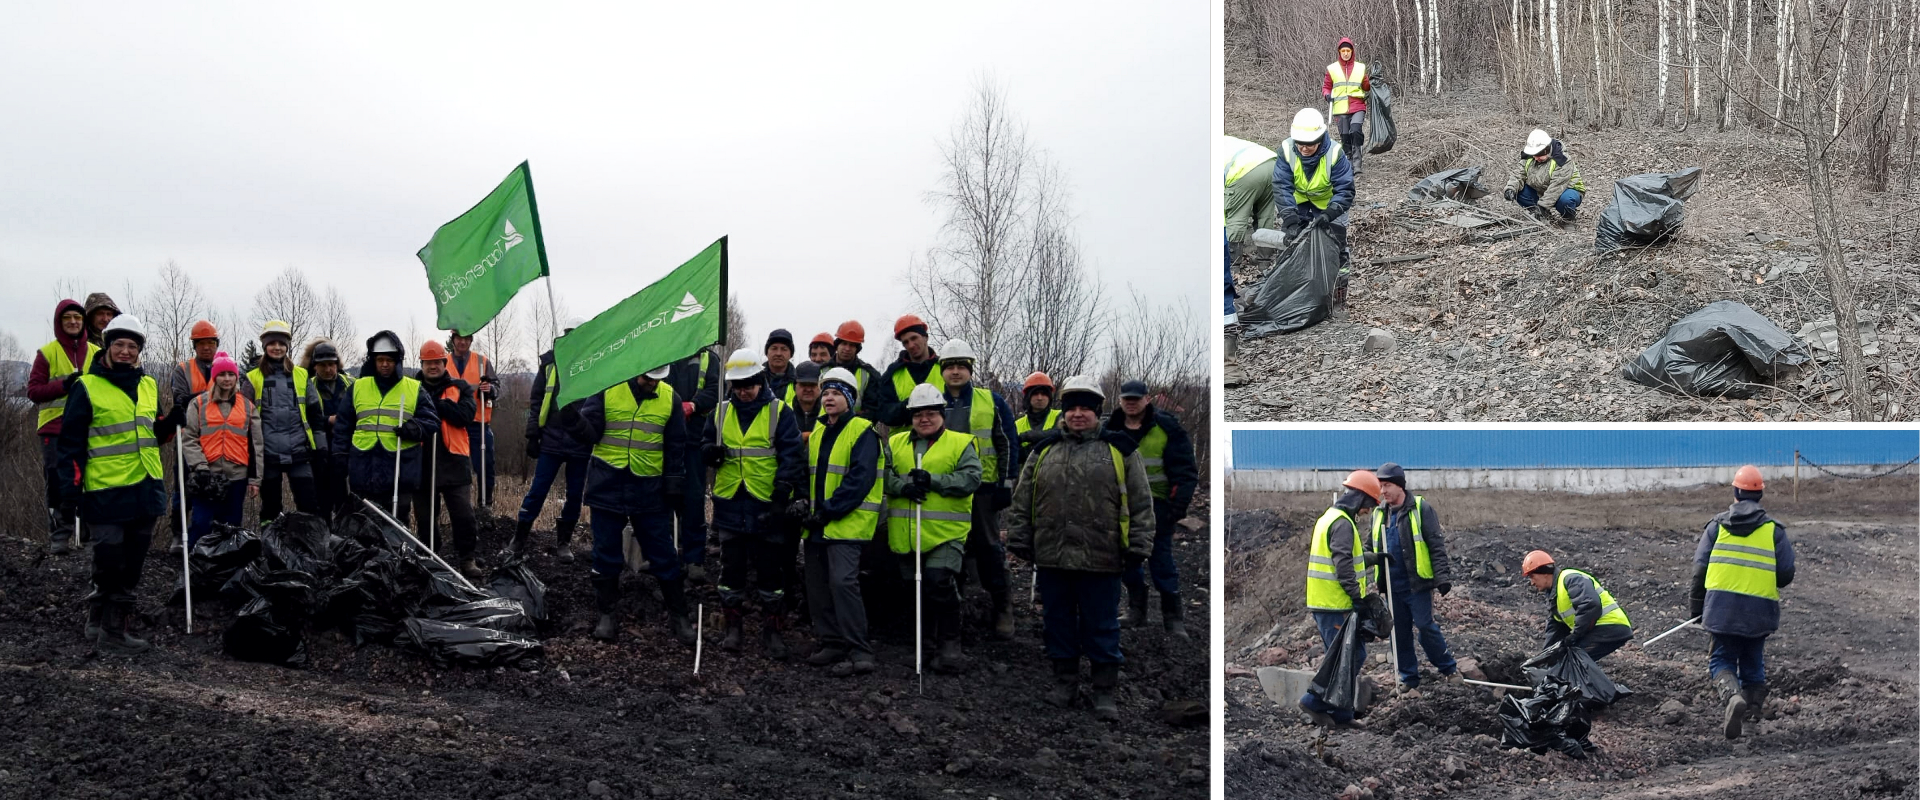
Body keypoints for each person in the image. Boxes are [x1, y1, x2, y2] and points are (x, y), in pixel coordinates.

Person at [1006, 376, 1153, 720]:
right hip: (1052, 556)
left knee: (1101, 625)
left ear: (1097, 412)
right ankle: (1065, 684)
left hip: (1102, 557)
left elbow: (1141, 502)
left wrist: (1139, 544)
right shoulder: (1044, 450)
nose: (1077, 414)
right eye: (1072, 408)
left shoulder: (1120, 450)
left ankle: (1104, 692)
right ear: (1064, 412)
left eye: (1085, 408)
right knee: (1057, 623)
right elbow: (1023, 499)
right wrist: (1019, 537)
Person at [55, 314, 181, 654]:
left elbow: (152, 434)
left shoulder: (148, 384)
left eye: (132, 346)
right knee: (109, 559)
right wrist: (69, 492)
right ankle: (103, 621)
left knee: (133, 562)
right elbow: (70, 445)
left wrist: (170, 422)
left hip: (145, 487)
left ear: (139, 351)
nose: (126, 351)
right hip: (105, 490)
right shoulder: (86, 387)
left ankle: (108, 626)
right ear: (107, 346)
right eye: (120, 345)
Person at [562, 363, 695, 645]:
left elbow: (675, 445)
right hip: (607, 484)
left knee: (663, 553)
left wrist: (674, 483)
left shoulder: (669, 397)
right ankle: (607, 615)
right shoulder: (608, 389)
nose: (652, 383)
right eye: (648, 378)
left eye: (657, 379)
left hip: (649, 489)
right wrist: (572, 419)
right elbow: (591, 433)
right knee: (605, 553)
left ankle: (680, 616)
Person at [703, 348, 807, 659]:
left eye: (748, 385)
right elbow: (704, 443)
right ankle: (733, 629)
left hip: (766, 503)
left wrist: (781, 495)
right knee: (731, 570)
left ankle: (772, 631)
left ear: (760, 381)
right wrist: (709, 452)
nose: (743, 392)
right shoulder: (720, 412)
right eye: (738, 386)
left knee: (770, 572)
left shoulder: (779, 412)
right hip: (730, 503)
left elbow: (791, 456)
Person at [1689, 465, 1795, 740]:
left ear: (1735, 492)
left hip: (1721, 610)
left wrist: (1697, 609)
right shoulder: (1774, 531)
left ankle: (1732, 697)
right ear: (1760, 494)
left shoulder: (1716, 527)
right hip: (1759, 611)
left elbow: (1699, 571)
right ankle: (1752, 717)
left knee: (1721, 659)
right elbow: (1785, 575)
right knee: (1753, 660)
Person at [884, 383, 982, 674]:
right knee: (915, 590)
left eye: (930, 413)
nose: (924, 419)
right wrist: (902, 487)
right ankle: (924, 646)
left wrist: (934, 481)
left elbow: (971, 479)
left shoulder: (960, 443)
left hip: (945, 534)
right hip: (906, 534)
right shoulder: (895, 443)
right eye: (918, 414)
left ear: (942, 414)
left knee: (938, 582)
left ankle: (950, 646)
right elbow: (881, 474)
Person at [800, 367, 884, 677]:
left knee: (842, 583)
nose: (828, 398)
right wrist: (803, 503)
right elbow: (806, 473)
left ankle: (859, 649)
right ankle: (831, 642)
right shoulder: (819, 432)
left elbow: (860, 479)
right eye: (826, 393)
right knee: (817, 586)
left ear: (849, 398)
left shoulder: (863, 432)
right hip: (817, 524)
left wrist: (830, 510)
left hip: (846, 524)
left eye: (836, 393)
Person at [935, 339, 1020, 639]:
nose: (955, 372)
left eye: (961, 366)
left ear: (970, 369)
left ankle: (1003, 607)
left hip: (983, 489)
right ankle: (954, 610)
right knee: (950, 547)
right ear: (942, 371)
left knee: (988, 547)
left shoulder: (991, 401)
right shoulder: (933, 402)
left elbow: (1007, 442)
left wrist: (1006, 483)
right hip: (946, 489)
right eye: (950, 367)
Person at [1106, 380, 1199, 638]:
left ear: (1147, 399)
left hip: (1158, 507)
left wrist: (1176, 509)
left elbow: (1185, 472)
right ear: (1120, 400)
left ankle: (1173, 618)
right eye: (1127, 398)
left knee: (1162, 562)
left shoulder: (1167, 428)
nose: (1131, 403)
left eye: (1136, 398)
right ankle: (1136, 610)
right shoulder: (1109, 429)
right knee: (1127, 560)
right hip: (1120, 507)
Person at [1297, 470, 1380, 727]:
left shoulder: (1330, 517)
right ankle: (1313, 702)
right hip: (1334, 604)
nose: (1367, 511)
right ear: (1360, 498)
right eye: (1369, 505)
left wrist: (1370, 558)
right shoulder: (1343, 523)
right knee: (1349, 657)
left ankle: (1342, 715)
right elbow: (1342, 564)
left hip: (1328, 602)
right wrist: (1357, 597)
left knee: (1345, 658)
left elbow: (1347, 557)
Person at [1370, 463, 1461, 693]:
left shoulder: (1420, 508)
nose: (1383, 491)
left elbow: (1435, 544)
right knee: (1398, 634)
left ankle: (1449, 670)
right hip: (1391, 586)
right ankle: (1408, 679)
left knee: (1425, 627)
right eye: (1381, 486)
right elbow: (1370, 546)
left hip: (1417, 584)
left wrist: (1442, 577)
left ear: (1400, 486)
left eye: (1387, 485)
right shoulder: (1379, 514)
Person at [330, 331, 439, 522]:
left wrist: (414, 429)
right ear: (373, 360)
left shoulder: (414, 388)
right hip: (363, 468)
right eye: (380, 359)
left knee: (397, 524)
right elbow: (343, 426)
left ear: (398, 360)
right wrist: (340, 455)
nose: (385, 364)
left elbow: (431, 421)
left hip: (399, 470)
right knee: (364, 521)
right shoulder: (357, 387)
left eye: (389, 360)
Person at [514, 320, 591, 560]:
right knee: (538, 491)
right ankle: (518, 540)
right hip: (551, 438)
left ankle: (564, 543)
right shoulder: (549, 363)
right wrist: (532, 435)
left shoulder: (595, 362)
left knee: (575, 495)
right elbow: (536, 400)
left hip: (580, 441)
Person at [28, 299, 98, 555]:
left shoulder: (96, 352)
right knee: (57, 480)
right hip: (54, 427)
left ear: (83, 321)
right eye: (67, 318)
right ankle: (60, 533)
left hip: (89, 426)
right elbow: (33, 392)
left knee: (91, 478)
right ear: (59, 322)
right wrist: (65, 385)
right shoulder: (47, 353)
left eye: (77, 317)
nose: (73, 322)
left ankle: (90, 534)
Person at [240, 320, 327, 523]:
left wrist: (321, 448)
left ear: (287, 346)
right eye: (272, 343)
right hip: (268, 454)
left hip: (299, 451)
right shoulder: (253, 378)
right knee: (271, 509)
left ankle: (308, 541)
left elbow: (315, 415)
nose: (277, 347)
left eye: (281, 343)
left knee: (308, 506)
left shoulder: (302, 375)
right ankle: (270, 542)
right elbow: (243, 418)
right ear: (265, 346)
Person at [1273, 108, 1357, 308]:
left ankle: (1337, 297)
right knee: (1291, 244)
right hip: (1299, 203)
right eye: (1300, 143)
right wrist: (1290, 220)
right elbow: (1282, 186)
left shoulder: (1335, 153)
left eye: (1309, 144)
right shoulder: (1286, 150)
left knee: (1336, 248)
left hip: (1330, 204)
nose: (1304, 148)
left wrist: (1330, 214)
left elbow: (1345, 189)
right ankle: (1294, 296)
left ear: (1320, 139)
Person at [412, 341, 482, 579]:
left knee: (463, 515)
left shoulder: (460, 387)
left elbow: (465, 416)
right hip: (421, 463)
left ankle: (467, 559)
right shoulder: (411, 388)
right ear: (422, 364)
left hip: (455, 462)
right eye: (428, 363)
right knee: (425, 518)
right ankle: (431, 556)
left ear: (444, 363)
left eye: (437, 362)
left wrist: (441, 406)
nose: (433, 366)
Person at [180, 351, 254, 548]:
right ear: (214, 377)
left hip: (237, 476)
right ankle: (195, 561)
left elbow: (256, 445)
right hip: (206, 475)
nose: (227, 379)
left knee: (231, 527)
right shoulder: (198, 403)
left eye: (231, 374)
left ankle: (226, 564)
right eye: (222, 374)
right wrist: (200, 466)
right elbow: (189, 438)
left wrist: (255, 479)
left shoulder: (247, 406)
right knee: (201, 524)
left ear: (236, 377)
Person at [664, 346, 722, 580]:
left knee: (693, 498)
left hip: (695, 438)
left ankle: (694, 559)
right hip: (666, 439)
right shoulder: (667, 353)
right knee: (663, 498)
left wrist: (694, 404)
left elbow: (716, 391)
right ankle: (663, 555)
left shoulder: (710, 359)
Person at [1523, 550, 1633, 661]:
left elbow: (1590, 605)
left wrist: (1575, 635)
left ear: (1544, 572)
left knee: (1573, 660)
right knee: (1567, 661)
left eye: (1532, 576)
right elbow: (1555, 629)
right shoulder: (1555, 596)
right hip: (1601, 629)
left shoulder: (1570, 579)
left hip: (1610, 626)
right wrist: (1544, 658)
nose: (1532, 582)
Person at [446, 330, 499, 512]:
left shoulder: (482, 362)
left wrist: (490, 389)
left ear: (470, 340)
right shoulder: (444, 362)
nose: (462, 342)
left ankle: (485, 505)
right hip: (452, 424)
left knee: (485, 465)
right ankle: (458, 508)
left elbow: (497, 387)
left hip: (478, 424)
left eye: (466, 339)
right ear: (453, 340)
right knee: (454, 468)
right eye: (459, 338)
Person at [303, 340, 353, 519]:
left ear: (337, 364)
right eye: (322, 365)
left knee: (345, 501)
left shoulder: (350, 383)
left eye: (331, 364)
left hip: (345, 448)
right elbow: (304, 416)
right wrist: (328, 421)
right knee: (322, 500)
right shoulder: (307, 386)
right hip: (319, 450)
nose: (328, 369)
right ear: (315, 366)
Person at [1503, 129, 1588, 222]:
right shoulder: (1529, 156)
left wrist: (1543, 206)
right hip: (1542, 190)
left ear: (1546, 150)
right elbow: (1518, 173)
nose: (1536, 158)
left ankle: (1568, 219)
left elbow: (1557, 186)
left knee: (1566, 200)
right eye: (1534, 155)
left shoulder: (1562, 159)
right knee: (1518, 191)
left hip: (1567, 190)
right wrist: (1510, 188)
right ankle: (1541, 215)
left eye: (1538, 155)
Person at [874, 314, 940, 426]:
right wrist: (911, 404)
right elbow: (884, 414)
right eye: (905, 342)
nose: (911, 345)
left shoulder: (945, 367)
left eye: (914, 338)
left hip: (942, 436)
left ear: (925, 337)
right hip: (905, 437)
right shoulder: (892, 374)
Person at [1222, 135, 1279, 262]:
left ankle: (1233, 263)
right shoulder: (1226, 140)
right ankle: (1264, 260)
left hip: (1245, 171)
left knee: (1236, 217)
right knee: (1265, 215)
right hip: (1272, 164)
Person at [1322, 37, 1372, 174]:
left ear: (1352, 51)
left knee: (1355, 130)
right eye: (1343, 51)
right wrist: (1327, 95)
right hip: (1340, 108)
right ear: (1339, 52)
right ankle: (1348, 161)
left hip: (1358, 106)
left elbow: (1366, 87)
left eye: (1348, 51)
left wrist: (1370, 82)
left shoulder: (1360, 67)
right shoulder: (1332, 69)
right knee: (1345, 137)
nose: (1345, 53)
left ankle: (1357, 163)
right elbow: (1326, 87)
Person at [828, 321, 884, 419]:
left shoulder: (869, 374)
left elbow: (873, 410)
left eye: (852, 345)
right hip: (825, 425)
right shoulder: (822, 370)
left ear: (857, 349)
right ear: (837, 345)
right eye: (844, 343)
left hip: (857, 426)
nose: (847, 348)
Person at [1013, 372, 1060, 463]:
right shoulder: (1017, 424)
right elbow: (1014, 455)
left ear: (1049, 397)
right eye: (1035, 393)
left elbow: (1061, 434)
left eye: (1044, 394)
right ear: (1028, 397)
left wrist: (1026, 436)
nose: (1039, 398)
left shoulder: (1059, 416)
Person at [788, 361, 825, 434]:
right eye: (803, 384)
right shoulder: (783, 411)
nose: (808, 389)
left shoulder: (829, 412)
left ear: (820, 386)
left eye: (812, 385)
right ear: (794, 386)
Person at [764, 329, 799, 402]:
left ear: (791, 354)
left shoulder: (798, 382)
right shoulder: (754, 380)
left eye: (784, 349)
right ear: (767, 352)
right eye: (774, 348)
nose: (778, 353)